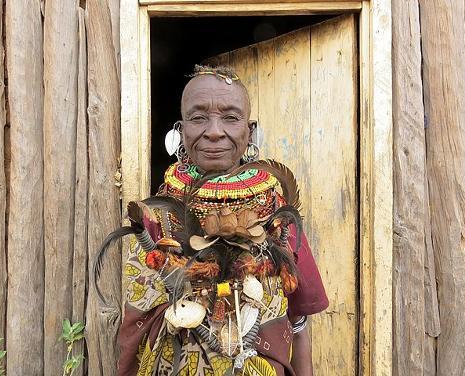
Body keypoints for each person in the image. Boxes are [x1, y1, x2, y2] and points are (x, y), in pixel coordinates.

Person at [115, 65, 328, 375]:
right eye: (198, 117)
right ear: (180, 130)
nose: (214, 131)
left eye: (230, 117)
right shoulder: (157, 216)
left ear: (250, 131)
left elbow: (298, 321)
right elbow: (139, 313)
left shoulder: (278, 213)